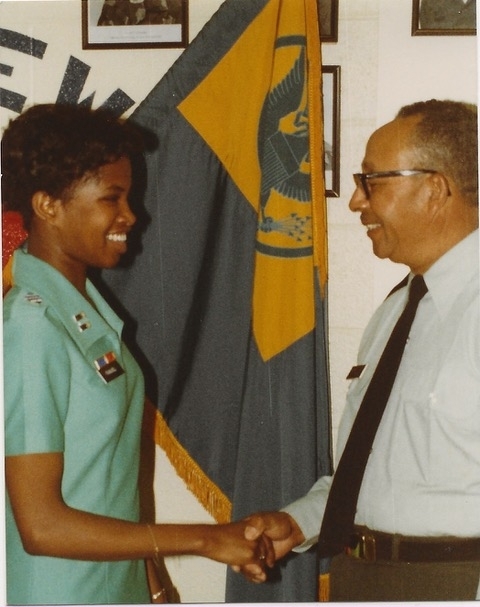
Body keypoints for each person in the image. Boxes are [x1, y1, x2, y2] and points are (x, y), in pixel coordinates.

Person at [2, 103, 273, 605]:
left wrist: (154, 585)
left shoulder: (84, 313)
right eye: (112, 198)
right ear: (47, 206)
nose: (131, 215)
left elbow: (111, 479)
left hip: (117, 589)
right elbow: (41, 527)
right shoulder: (30, 327)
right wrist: (206, 538)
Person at [239, 99, 480, 601]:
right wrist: (297, 522)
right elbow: (368, 470)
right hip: (361, 576)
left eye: (371, 181)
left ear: (434, 189)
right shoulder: (399, 308)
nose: (355, 201)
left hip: (453, 583)